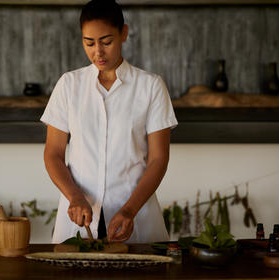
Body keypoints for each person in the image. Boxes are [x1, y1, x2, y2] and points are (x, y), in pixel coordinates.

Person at [41, 0, 177, 244]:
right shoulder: (69, 85)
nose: (98, 52)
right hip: (79, 218)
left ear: (123, 34)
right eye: (89, 43)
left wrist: (129, 210)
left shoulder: (151, 87)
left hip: (137, 217)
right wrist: (74, 196)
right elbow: (53, 153)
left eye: (106, 41)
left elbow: (159, 159)